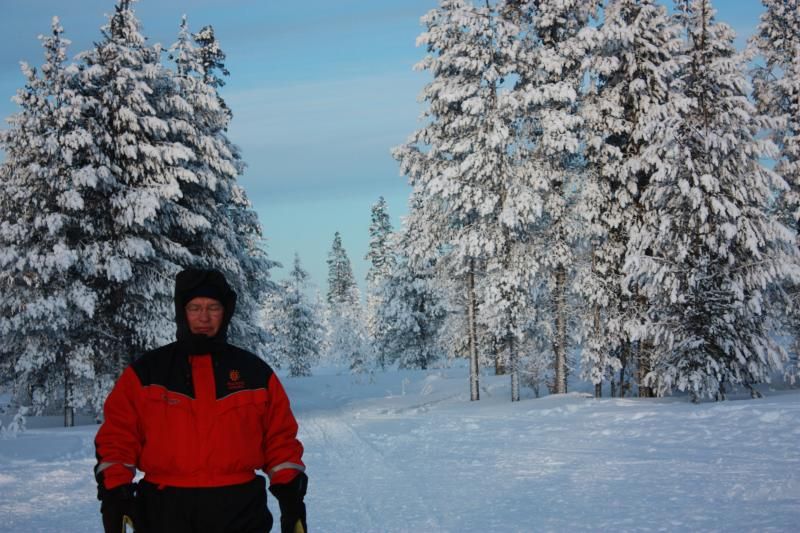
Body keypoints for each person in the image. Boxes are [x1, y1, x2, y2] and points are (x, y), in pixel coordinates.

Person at [94, 268, 307, 533]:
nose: (203, 317)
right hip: (164, 511)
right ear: (182, 311)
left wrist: (291, 499)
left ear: (225, 312)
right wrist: (116, 495)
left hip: (239, 511)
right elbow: (118, 437)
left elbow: (280, 440)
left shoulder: (254, 373)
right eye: (195, 307)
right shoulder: (147, 372)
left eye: (213, 307)